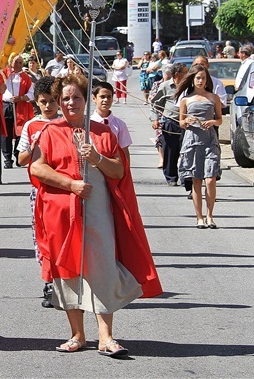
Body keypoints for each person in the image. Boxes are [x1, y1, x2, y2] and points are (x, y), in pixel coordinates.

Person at [29, 73, 161, 357]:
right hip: (62, 214)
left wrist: (97, 159)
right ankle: (77, 335)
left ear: (86, 99)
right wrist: (71, 184)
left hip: (98, 210)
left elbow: (119, 171)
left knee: (101, 266)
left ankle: (106, 337)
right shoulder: (49, 132)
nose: (70, 102)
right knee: (68, 271)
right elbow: (37, 168)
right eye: (64, 98)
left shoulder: (102, 133)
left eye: (76, 97)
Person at [15, 76, 59, 308]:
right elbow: (21, 159)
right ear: (37, 102)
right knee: (42, 238)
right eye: (44, 101)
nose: (49, 106)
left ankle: (66, 281)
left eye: (53, 101)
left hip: (64, 190)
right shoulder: (31, 126)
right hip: (39, 190)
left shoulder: (67, 123)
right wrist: (35, 144)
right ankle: (49, 282)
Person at [176, 64, 222, 229]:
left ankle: (210, 216)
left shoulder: (213, 97)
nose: (201, 81)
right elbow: (181, 122)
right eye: (198, 78)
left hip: (210, 141)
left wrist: (212, 122)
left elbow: (220, 120)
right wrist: (186, 121)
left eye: (203, 78)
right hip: (193, 141)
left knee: (210, 179)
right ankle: (199, 217)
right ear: (192, 80)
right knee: (196, 180)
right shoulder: (185, 100)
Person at [150, 62, 189, 187]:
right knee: (170, 151)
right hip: (171, 123)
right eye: (185, 72)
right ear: (177, 74)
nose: (188, 74)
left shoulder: (189, 86)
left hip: (187, 123)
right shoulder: (166, 86)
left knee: (187, 151)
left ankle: (186, 177)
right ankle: (171, 177)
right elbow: (155, 104)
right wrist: (155, 119)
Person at [2, 53, 34, 168]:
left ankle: (18, 156)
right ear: (11, 63)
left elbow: (31, 94)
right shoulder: (5, 74)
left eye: (20, 62)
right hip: (6, 105)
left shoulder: (25, 77)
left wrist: (20, 98)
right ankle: (7, 159)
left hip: (20, 106)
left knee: (19, 132)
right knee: (6, 133)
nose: (18, 65)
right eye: (16, 62)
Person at [91, 82, 132, 166]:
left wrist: (126, 172)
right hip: (93, 167)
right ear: (94, 98)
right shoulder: (88, 123)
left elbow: (124, 151)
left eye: (109, 97)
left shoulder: (120, 125)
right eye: (102, 97)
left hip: (113, 168)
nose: (106, 100)